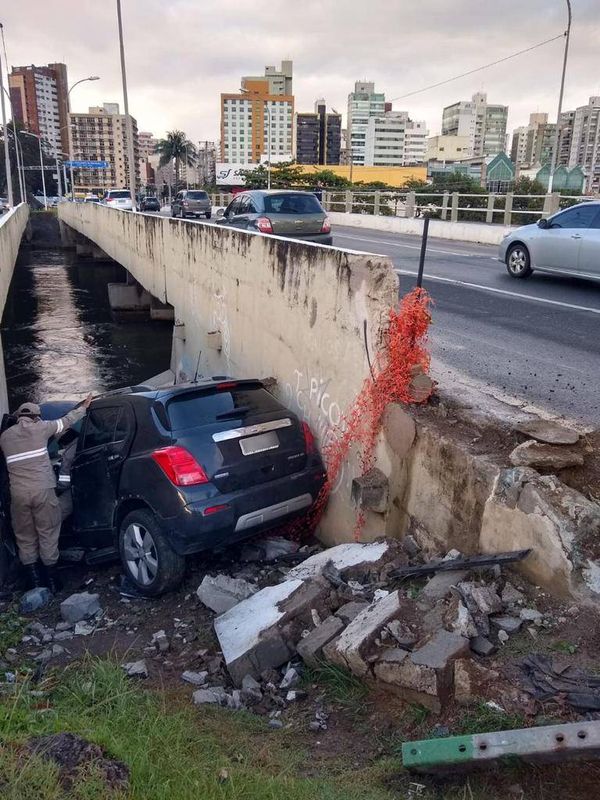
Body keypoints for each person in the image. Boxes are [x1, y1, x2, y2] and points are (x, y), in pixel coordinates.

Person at [0, 395, 92, 592]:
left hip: (18, 495)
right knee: (47, 532)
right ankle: (53, 582)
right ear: (35, 417)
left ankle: (35, 583)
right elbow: (66, 422)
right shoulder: (41, 428)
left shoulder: (5, 437)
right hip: (42, 491)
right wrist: (83, 407)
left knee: (25, 536)